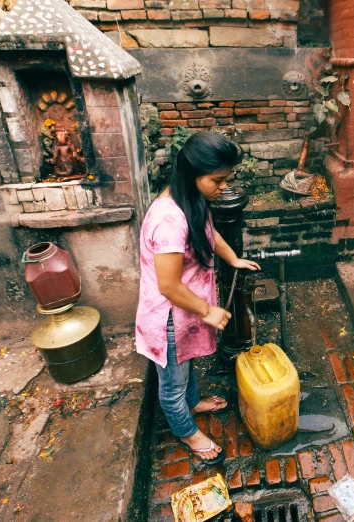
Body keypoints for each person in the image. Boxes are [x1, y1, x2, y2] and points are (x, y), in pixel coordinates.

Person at [135, 132, 260, 465]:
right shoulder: (168, 221)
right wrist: (207, 310)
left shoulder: (190, 201)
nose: (223, 187)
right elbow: (169, 286)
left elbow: (208, 231)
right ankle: (187, 432)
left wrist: (232, 258)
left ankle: (193, 404)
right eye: (218, 180)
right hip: (168, 319)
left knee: (185, 367)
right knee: (172, 385)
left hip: (184, 311)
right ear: (193, 175)